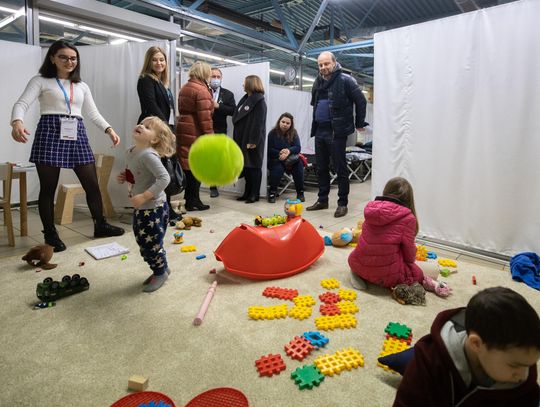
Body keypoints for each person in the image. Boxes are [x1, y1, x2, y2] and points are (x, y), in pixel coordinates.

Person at [10, 40, 124, 253]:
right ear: (52, 58)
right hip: (49, 131)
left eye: (73, 58)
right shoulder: (41, 81)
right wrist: (17, 121)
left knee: (92, 184)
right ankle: (50, 233)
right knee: (48, 188)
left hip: (76, 132)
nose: (69, 61)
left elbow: (92, 113)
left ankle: (100, 224)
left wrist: (109, 129)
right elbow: (22, 104)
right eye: (63, 57)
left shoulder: (81, 86)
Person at [394, 286, 540, 406]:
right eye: (514, 366)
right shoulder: (430, 360)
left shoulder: (522, 370)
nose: (523, 375)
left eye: (530, 364)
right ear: (476, 344)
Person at [348, 177, 439, 290]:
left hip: (357, 263)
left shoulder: (371, 208)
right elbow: (409, 255)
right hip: (385, 276)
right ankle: (367, 275)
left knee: (366, 255)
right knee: (426, 272)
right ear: (409, 199)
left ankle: (358, 273)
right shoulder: (408, 218)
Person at [306, 51, 367, 218]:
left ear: (334, 63)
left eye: (326, 64)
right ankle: (322, 200)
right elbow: (316, 104)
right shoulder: (317, 82)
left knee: (340, 168)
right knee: (321, 167)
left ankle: (342, 203)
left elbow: (360, 101)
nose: (323, 67)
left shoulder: (346, 80)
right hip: (320, 130)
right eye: (320, 65)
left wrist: (359, 123)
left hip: (336, 131)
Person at [117, 117, 175, 292]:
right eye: (142, 123)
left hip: (153, 208)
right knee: (144, 240)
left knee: (151, 243)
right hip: (142, 207)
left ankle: (160, 272)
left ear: (155, 140)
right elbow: (138, 173)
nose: (141, 126)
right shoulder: (130, 152)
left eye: (148, 127)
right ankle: (161, 268)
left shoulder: (149, 155)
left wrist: (144, 196)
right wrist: (125, 176)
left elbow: (164, 178)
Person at [136, 45, 181, 222]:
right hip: (154, 129)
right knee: (159, 171)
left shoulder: (162, 82)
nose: (159, 62)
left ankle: (166, 207)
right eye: (155, 59)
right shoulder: (145, 79)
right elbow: (151, 106)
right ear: (149, 61)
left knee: (165, 169)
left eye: (162, 59)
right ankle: (161, 208)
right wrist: (167, 130)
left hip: (163, 127)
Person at [176, 61, 214, 211]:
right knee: (196, 166)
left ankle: (190, 199)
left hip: (184, 127)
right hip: (195, 130)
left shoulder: (185, 87)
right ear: (205, 73)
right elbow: (205, 117)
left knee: (187, 165)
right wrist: (210, 136)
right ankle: (193, 200)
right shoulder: (202, 90)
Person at [232, 75, 267, 204]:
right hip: (242, 138)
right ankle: (247, 192)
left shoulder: (259, 101)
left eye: (244, 83)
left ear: (251, 84)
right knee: (246, 166)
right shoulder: (246, 98)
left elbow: (259, 123)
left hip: (252, 139)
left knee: (254, 167)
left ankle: (254, 194)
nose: (242, 85)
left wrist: (253, 141)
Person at [208, 67, 236, 198]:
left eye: (218, 77)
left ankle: (215, 184)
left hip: (220, 130)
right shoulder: (202, 91)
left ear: (221, 78)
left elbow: (233, 110)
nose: (215, 79)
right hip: (204, 129)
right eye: (213, 76)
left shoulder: (228, 94)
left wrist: (218, 106)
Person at [267, 112, 304, 203]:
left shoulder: (293, 133)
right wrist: (280, 153)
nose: (285, 125)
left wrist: (288, 151)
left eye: (288, 123)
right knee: (277, 168)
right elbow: (269, 149)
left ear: (291, 125)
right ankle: (272, 192)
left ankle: (300, 193)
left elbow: (297, 147)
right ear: (279, 121)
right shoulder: (272, 133)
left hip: (289, 159)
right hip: (276, 158)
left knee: (298, 165)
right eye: (283, 122)